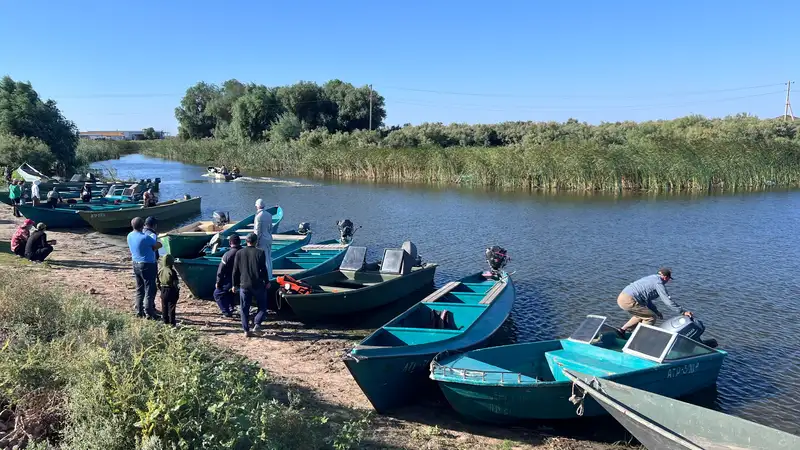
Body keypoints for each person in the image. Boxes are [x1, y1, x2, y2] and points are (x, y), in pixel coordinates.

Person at [616, 268, 693, 335]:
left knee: (642, 315)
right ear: (666, 277)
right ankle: (639, 338)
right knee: (651, 317)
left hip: (622, 297)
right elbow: (667, 301)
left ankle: (622, 330)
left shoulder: (651, 278)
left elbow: (647, 300)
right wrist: (683, 312)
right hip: (629, 300)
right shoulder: (658, 283)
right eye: (669, 279)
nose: (668, 281)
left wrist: (656, 311)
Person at [232, 233, 269, 337]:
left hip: (244, 284)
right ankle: (257, 323)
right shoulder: (260, 252)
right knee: (262, 306)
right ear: (256, 241)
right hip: (257, 284)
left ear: (246, 241)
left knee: (244, 308)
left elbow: (235, 271)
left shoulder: (239, 253)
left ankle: (246, 330)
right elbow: (263, 270)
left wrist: (234, 284)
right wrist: (267, 282)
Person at [127, 217, 162, 319]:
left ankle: (139, 310)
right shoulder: (145, 237)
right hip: (147, 264)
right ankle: (150, 312)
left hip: (135, 263)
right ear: (143, 226)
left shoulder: (129, 235)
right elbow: (157, 245)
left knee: (139, 288)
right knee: (150, 288)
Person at [214, 234, 243, 318]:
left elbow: (221, 270)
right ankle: (231, 307)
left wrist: (218, 282)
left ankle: (226, 312)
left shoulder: (227, 254)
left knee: (217, 294)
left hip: (230, 279)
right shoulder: (244, 252)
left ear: (230, 243)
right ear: (240, 242)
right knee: (230, 293)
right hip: (243, 278)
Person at [157, 253, 180, 327]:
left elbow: (157, 282)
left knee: (164, 307)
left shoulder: (160, 270)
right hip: (171, 290)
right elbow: (176, 283)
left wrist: (161, 289)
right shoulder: (172, 271)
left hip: (163, 290)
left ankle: (165, 321)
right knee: (171, 308)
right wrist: (177, 291)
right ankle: (172, 323)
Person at [254, 198, 273, 280]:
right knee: (269, 257)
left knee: (263, 259)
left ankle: (266, 277)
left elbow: (257, 231)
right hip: (268, 238)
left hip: (262, 240)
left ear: (257, 206)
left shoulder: (258, 217)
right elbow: (270, 228)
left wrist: (256, 242)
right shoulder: (269, 215)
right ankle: (270, 275)